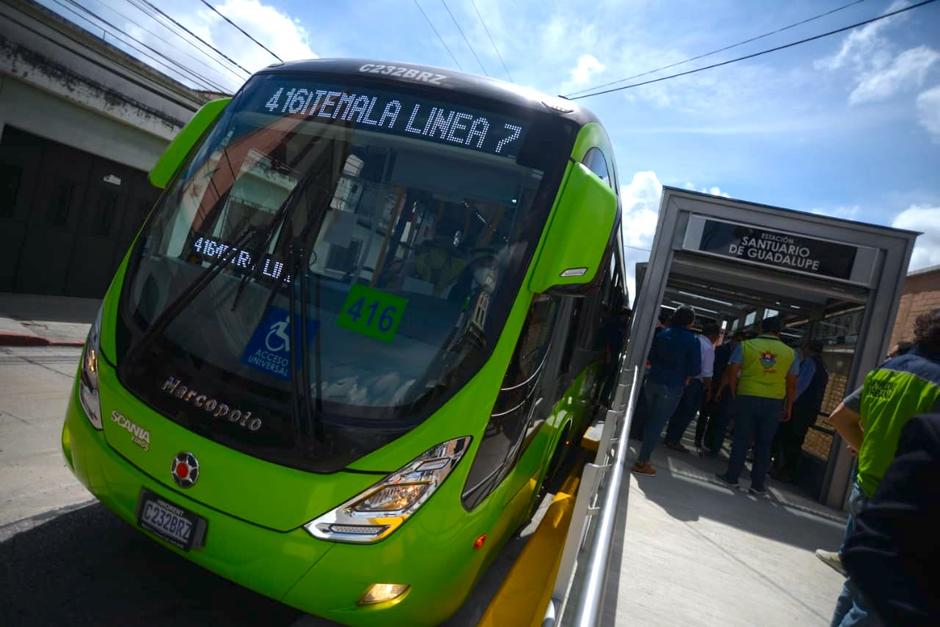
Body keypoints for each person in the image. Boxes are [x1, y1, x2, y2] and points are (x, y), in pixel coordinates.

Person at [826, 309, 940, 627]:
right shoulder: (937, 382)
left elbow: (840, 416)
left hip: (865, 484)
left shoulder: (887, 370)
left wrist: (867, 450)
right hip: (906, 500)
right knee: (872, 607)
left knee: (856, 583)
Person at [840, 413, 940, 626]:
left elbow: (840, 417)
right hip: (878, 493)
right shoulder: (932, 430)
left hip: (869, 484)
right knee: (863, 603)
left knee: (856, 591)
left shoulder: (878, 379)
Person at [715, 316, 798, 495]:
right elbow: (792, 384)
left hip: (747, 396)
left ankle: (732, 477)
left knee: (741, 439)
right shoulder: (790, 353)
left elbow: (732, 372)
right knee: (764, 443)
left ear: (761, 329)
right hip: (774, 402)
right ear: (779, 332)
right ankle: (757, 485)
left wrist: (734, 391)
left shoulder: (745, 346)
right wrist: (789, 406)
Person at [632, 306, 701, 476]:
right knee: (657, 422)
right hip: (672, 386)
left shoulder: (662, 334)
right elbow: (695, 368)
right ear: (690, 322)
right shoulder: (692, 340)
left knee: (649, 418)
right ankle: (642, 461)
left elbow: (651, 357)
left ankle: (641, 452)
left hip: (653, 380)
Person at [771, 340, 829, 483]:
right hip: (809, 411)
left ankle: (782, 469)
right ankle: (787, 471)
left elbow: (799, 386)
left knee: (786, 439)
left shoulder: (809, 363)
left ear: (808, 348)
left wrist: (787, 404)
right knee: (796, 441)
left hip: (798, 409)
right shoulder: (823, 368)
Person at [664, 322, 719, 453]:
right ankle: (674, 440)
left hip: (682, 379)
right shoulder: (708, 348)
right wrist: (709, 390)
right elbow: (707, 373)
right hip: (695, 384)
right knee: (687, 413)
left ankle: (669, 436)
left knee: (677, 410)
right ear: (714, 335)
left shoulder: (694, 340)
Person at [698, 331, 743, 455]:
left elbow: (728, 374)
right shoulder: (722, 350)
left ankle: (712, 446)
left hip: (730, 389)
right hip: (726, 388)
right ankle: (707, 443)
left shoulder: (741, 352)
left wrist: (720, 390)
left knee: (720, 420)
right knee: (716, 418)